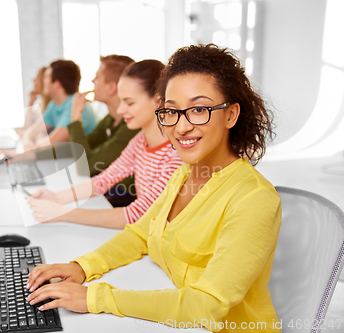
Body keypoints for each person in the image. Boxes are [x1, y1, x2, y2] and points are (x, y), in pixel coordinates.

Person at [25, 44, 281, 332]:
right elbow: (139, 233)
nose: (181, 127)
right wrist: (82, 267)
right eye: (171, 111)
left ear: (231, 115)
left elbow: (206, 306)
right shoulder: (184, 174)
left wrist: (96, 297)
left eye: (198, 109)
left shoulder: (254, 199)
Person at [29, 60, 183, 229]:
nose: (120, 110)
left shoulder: (178, 153)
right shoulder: (140, 141)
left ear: (159, 101)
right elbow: (105, 179)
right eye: (121, 101)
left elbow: (137, 215)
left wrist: (62, 213)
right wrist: (56, 198)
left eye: (129, 103)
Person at [68, 55, 139, 205]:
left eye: (97, 78)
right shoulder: (110, 120)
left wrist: (75, 116)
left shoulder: (131, 128)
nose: (93, 81)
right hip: (109, 191)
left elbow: (85, 166)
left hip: (121, 197)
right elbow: (78, 150)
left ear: (112, 87)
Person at [21, 60, 98, 150]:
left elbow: (50, 144)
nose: (43, 81)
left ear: (57, 84)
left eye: (46, 77)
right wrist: (28, 142)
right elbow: (31, 132)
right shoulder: (54, 104)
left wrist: (35, 142)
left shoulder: (77, 105)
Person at [15, 67, 51, 136]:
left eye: (36, 78)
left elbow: (35, 134)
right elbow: (27, 126)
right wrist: (31, 102)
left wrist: (22, 133)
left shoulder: (49, 107)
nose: (33, 80)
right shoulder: (40, 105)